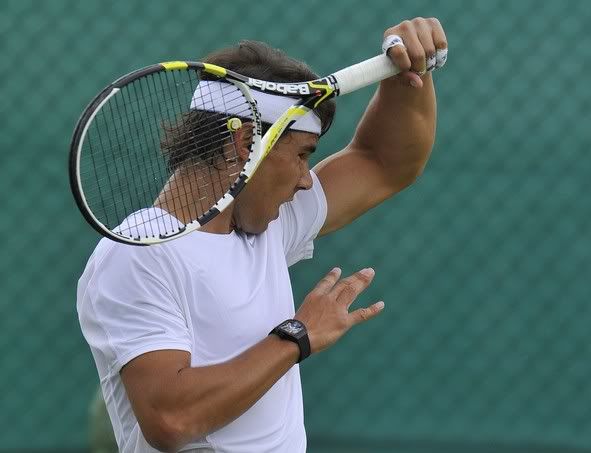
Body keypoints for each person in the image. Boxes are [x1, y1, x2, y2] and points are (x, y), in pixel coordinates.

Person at [77, 17, 448, 453]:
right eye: (302, 156)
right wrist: (297, 335)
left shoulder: (268, 225)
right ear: (244, 146)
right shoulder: (138, 253)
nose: (306, 179)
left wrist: (410, 73)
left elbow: (386, 162)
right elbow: (171, 418)